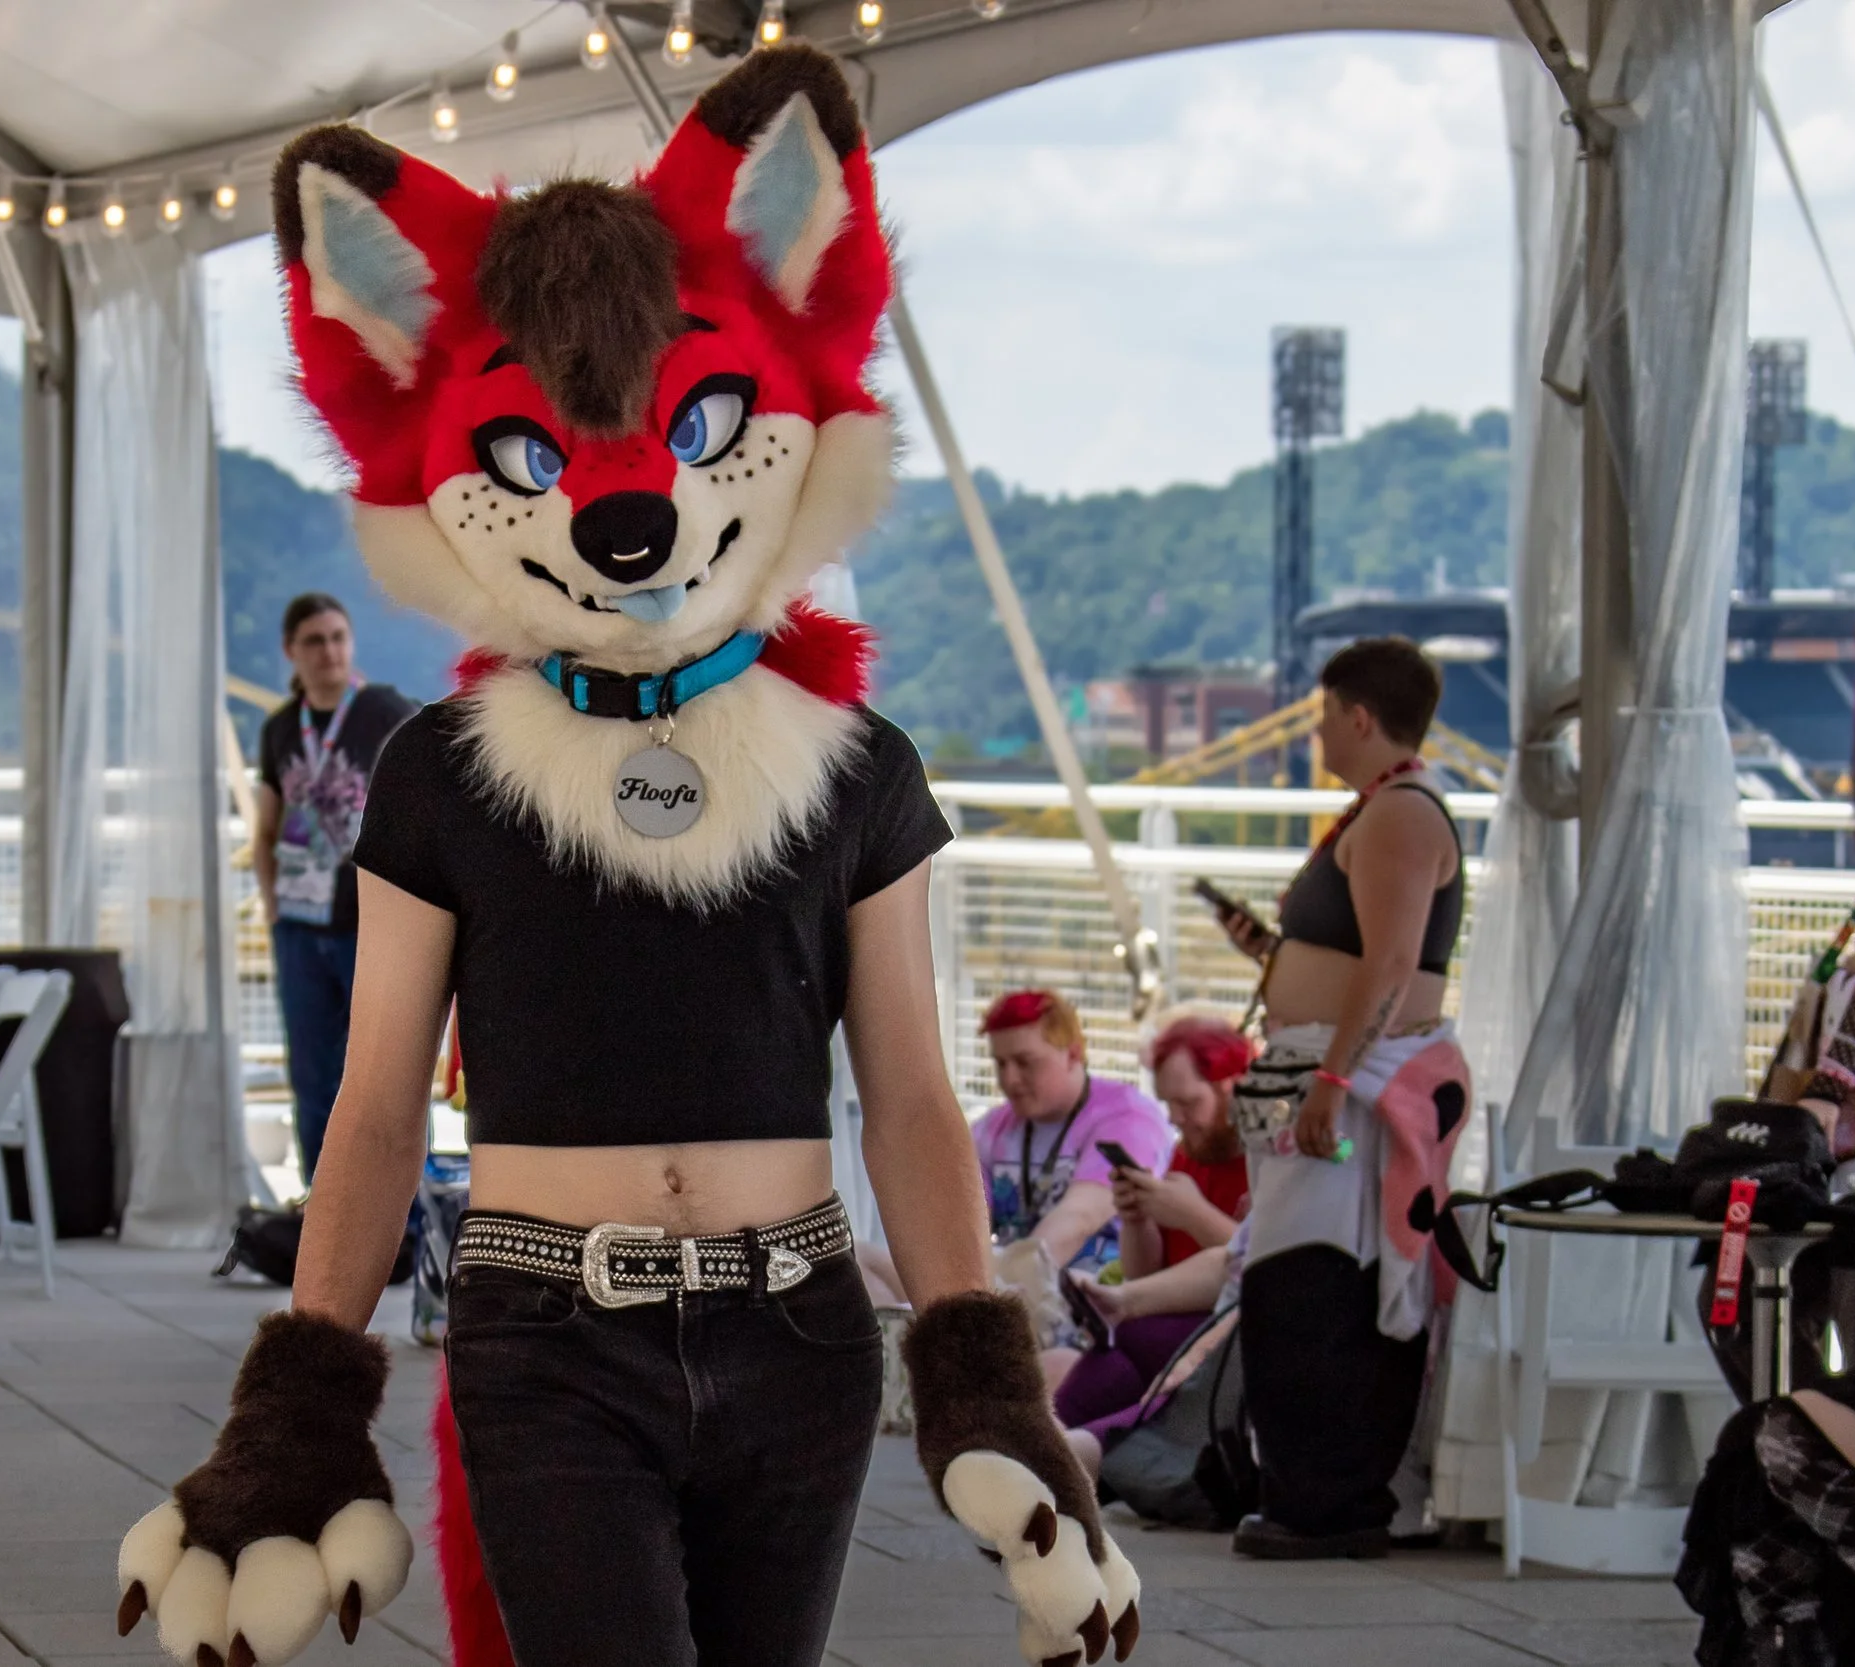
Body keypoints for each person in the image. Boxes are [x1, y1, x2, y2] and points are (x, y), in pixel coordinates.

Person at [113, 49, 1139, 1667]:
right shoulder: (436, 773)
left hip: (796, 1322)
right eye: (534, 451)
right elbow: (380, 1104)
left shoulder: (858, 768)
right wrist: (298, 1402)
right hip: (542, 1328)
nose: (627, 503)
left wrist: (976, 1364)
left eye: (698, 422)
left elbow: (914, 1090)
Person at [1208, 635, 1474, 1560]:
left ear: (1359, 717)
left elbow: (1394, 965)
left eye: (1324, 716)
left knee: (1323, 1279)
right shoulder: (1382, 810)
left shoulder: (1401, 815)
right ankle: (1307, 1485)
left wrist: (1328, 1082)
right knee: (1289, 1276)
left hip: (1352, 1084)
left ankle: (1329, 1492)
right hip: (1321, 1066)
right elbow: (1363, 955)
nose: (1317, 734)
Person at [253, 593, 416, 1185]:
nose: (330, 652)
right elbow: (266, 826)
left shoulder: (385, 711)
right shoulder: (279, 729)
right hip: (299, 926)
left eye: (339, 637)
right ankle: (318, 1210)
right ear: (290, 652)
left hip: (366, 925)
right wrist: (273, 907)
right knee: (312, 1074)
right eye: (315, 641)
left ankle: (403, 1224)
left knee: (382, 1077)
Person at [1051, 1014, 1252, 1429]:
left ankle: (1073, 1454)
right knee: (1107, 1362)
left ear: (1230, 1087)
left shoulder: (1262, 1162)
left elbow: (1259, 1259)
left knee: (1125, 1347)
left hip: (1226, 1330)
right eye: (1168, 1104)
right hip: (1165, 1324)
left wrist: (1192, 1215)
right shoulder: (1188, 1154)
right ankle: (1060, 1452)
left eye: (1189, 1103)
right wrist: (1136, 1219)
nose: (1176, 1118)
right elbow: (1147, 1275)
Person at [970, 989, 1175, 1283]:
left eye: (1025, 1062)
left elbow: (1079, 1220)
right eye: (1000, 1064)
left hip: (1094, 1293)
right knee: (877, 1267)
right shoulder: (991, 1127)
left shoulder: (1127, 1116)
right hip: (1010, 1287)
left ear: (1074, 1054)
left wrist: (1001, 1286)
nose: (1009, 1080)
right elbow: (964, 1224)